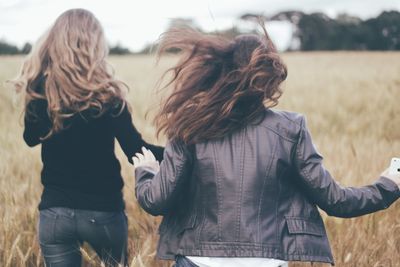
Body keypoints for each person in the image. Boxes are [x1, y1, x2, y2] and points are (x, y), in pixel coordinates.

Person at [133, 25, 400, 267]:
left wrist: (145, 171)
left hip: (197, 258)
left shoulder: (190, 126)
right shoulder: (291, 129)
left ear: (220, 71)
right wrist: (389, 186)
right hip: (266, 261)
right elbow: (335, 200)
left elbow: (156, 201)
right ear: (268, 79)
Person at [11, 8, 163, 267]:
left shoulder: (42, 92)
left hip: (54, 214)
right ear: (95, 44)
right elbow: (136, 151)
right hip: (103, 213)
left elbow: (30, 138)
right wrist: (186, 151)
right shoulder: (109, 96)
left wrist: (37, 91)